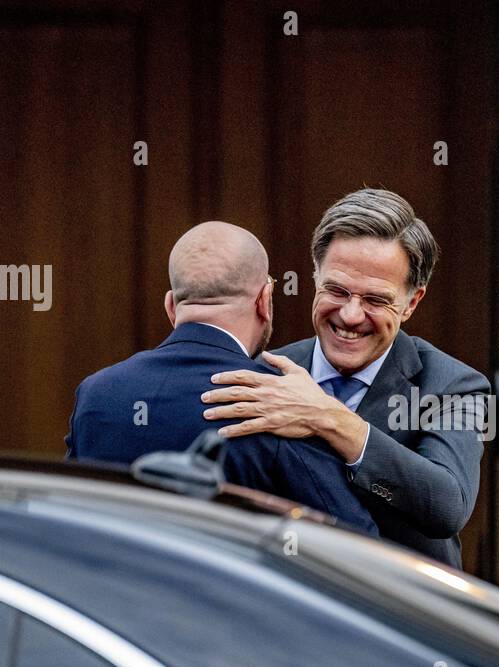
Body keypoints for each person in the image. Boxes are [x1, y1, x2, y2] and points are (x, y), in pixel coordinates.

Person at [199, 189, 490, 568]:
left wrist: (328, 417)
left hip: (395, 611)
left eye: (375, 300)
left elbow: (447, 505)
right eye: (336, 290)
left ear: (411, 303)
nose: (351, 315)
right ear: (315, 277)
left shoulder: (454, 386)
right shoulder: (266, 371)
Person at [64, 221, 377, 536]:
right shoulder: (284, 401)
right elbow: (355, 541)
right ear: (264, 301)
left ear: (171, 306)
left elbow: (69, 519)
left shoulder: (96, 393)